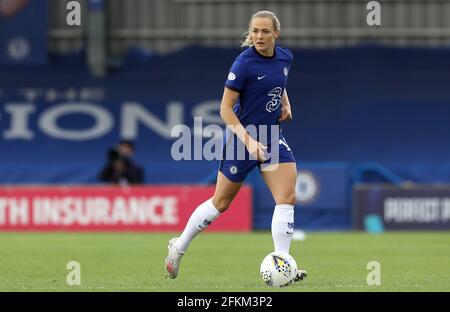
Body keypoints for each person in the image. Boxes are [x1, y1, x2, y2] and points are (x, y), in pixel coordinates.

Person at [165, 10, 306, 283]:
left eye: (265, 31)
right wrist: (249, 141)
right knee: (221, 202)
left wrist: (286, 103)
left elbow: (280, 81)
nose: (259, 36)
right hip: (244, 139)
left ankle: (284, 264)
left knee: (286, 197)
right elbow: (225, 109)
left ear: (276, 33)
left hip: (272, 136)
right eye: (255, 31)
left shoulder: (285, 57)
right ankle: (179, 247)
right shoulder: (243, 64)